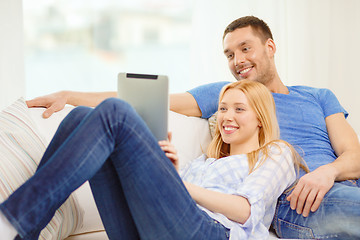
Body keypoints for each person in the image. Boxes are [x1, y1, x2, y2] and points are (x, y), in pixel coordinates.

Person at [27, 16, 360, 239]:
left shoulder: (317, 97)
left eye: (246, 48)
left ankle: (21, 218)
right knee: (87, 119)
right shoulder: (223, 95)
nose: (238, 60)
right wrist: (71, 95)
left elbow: (354, 156)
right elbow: (144, 98)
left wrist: (327, 172)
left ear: (269, 48)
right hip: (297, 200)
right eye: (229, 54)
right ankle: (23, 221)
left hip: (332, 182)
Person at [1, 80, 305, 239]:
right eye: (223, 108)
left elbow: (244, 211)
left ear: (261, 119)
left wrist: (178, 186)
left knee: (116, 111)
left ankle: (10, 220)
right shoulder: (205, 161)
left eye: (239, 109)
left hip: (212, 233)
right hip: (154, 230)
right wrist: (170, 173)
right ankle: (23, 232)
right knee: (81, 116)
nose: (227, 116)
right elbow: (172, 202)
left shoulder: (276, 153)